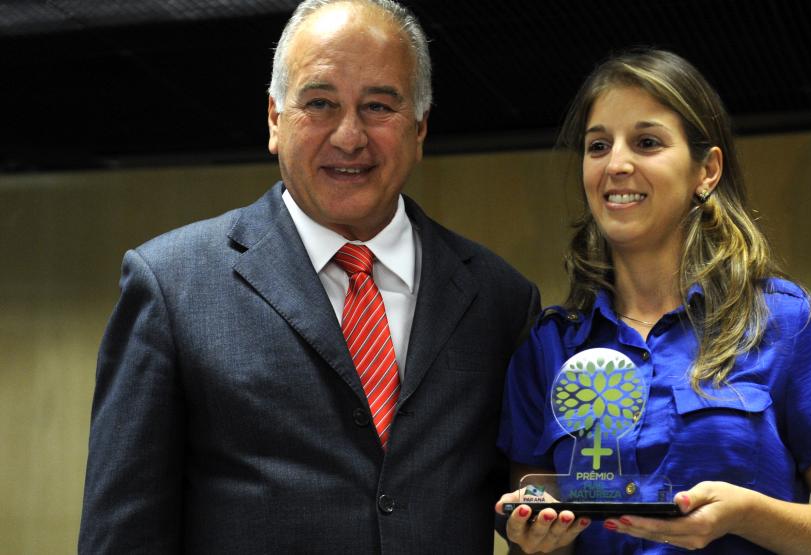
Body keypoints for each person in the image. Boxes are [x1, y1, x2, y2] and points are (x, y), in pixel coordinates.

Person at [78, 1, 539, 553]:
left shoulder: (501, 299)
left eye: (378, 106)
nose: (349, 136)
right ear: (275, 119)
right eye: (319, 103)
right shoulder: (172, 285)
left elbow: (525, 518)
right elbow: (123, 536)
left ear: (419, 128)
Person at [495, 48, 811, 554]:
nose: (616, 163)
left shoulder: (784, 323)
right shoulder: (547, 349)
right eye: (597, 146)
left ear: (707, 171)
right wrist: (537, 540)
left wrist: (749, 514)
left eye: (647, 141)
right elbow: (541, 536)